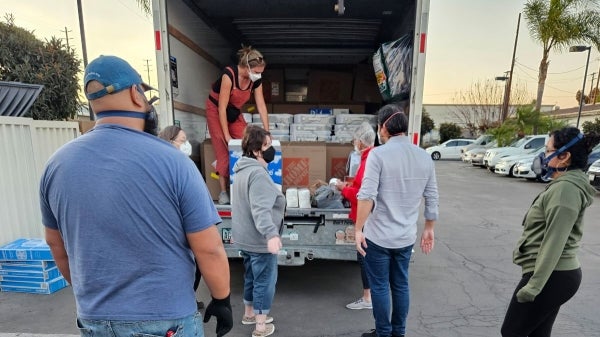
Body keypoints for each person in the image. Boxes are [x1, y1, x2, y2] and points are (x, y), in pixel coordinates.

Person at [40, 55, 233, 337]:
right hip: (167, 321)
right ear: (135, 93)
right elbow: (209, 248)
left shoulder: (56, 165)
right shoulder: (174, 162)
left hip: (94, 321)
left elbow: (56, 245)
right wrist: (222, 299)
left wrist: (92, 295)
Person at [501, 127, 600, 337]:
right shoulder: (565, 185)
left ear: (564, 157)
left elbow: (554, 243)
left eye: (547, 151)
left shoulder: (566, 190)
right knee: (538, 333)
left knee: (511, 331)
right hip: (555, 276)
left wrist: (533, 287)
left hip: (553, 276)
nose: (543, 156)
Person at [354, 104, 439, 337]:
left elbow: (366, 195)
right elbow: (431, 196)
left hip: (378, 236)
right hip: (405, 237)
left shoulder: (378, 155)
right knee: (400, 285)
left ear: (383, 128)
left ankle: (383, 332)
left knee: (380, 286)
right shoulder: (423, 156)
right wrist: (429, 227)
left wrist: (358, 229)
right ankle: (398, 333)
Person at [231, 125, 285, 337]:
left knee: (251, 277)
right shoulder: (258, 175)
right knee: (264, 280)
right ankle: (261, 327)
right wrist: (271, 234)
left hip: (245, 238)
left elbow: (242, 207)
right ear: (255, 151)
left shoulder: (242, 171)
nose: (272, 150)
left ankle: (249, 314)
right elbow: (261, 211)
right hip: (259, 240)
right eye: (267, 146)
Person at [206, 46, 270, 205]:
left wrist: (267, 132)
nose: (258, 75)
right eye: (256, 71)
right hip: (216, 109)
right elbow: (221, 108)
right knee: (222, 147)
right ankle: (223, 192)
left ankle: (247, 184)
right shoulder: (229, 75)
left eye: (260, 72)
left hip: (233, 111)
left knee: (248, 140)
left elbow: (261, 105)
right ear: (247, 67)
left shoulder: (255, 80)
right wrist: (227, 136)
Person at [158, 125, 204, 310]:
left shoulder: (180, 164)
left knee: (193, 267)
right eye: (183, 141)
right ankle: (181, 302)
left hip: (179, 227)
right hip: (173, 229)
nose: (187, 146)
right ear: (170, 142)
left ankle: (188, 298)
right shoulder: (169, 166)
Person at [334, 122, 376, 310]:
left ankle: (368, 297)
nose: (354, 143)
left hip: (365, 216)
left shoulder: (368, 162)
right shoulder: (371, 158)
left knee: (364, 256)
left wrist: (343, 189)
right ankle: (370, 295)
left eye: (355, 140)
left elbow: (361, 195)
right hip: (369, 214)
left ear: (360, 141)